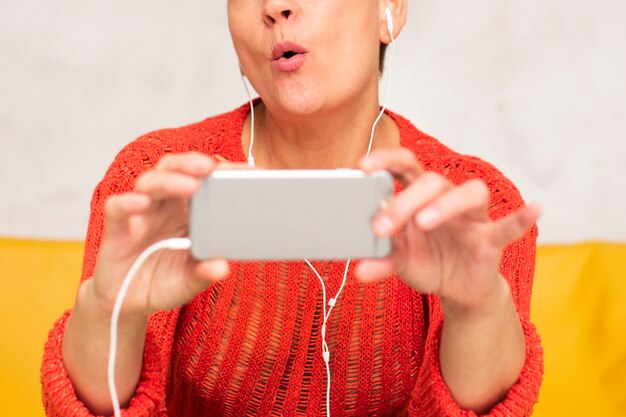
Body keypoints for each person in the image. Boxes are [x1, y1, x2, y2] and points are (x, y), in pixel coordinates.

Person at [41, 1, 543, 416]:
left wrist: (477, 311)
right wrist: (111, 307)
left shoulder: (472, 204)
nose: (274, 7)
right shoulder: (155, 181)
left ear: (389, 10)